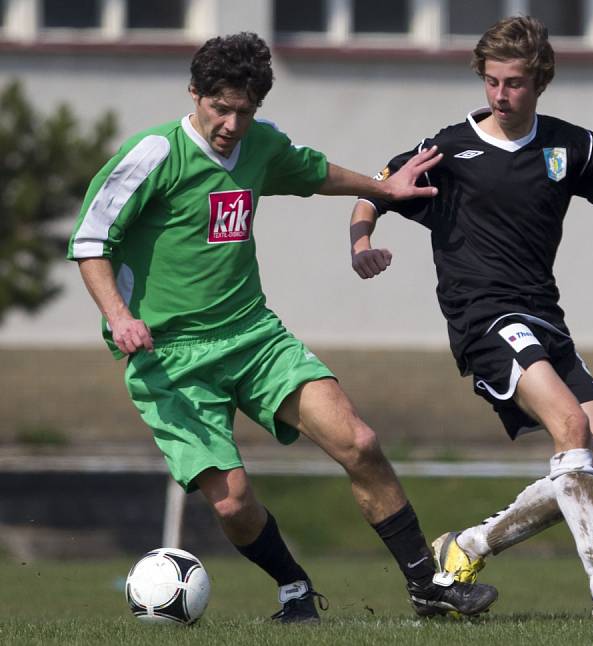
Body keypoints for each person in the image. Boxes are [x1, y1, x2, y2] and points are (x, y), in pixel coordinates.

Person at [66, 32, 498, 623]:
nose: (232, 124)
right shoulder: (153, 154)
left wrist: (384, 189)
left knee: (361, 443)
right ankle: (294, 588)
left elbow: (313, 172)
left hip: (253, 335)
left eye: (245, 111)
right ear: (194, 94)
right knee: (234, 504)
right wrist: (119, 316)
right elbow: (91, 241)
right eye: (221, 108)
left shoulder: (259, 145)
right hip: (171, 359)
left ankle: (429, 585)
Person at [348, 16, 593, 622]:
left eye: (514, 84)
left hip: (543, 317)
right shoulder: (451, 149)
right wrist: (361, 243)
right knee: (568, 427)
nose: (500, 96)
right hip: (481, 318)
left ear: (541, 83)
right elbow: (374, 189)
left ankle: (468, 545)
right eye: (491, 82)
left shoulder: (571, 146)